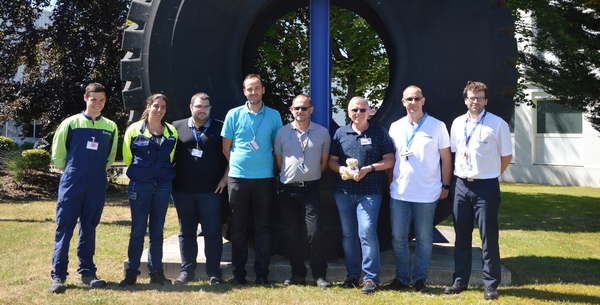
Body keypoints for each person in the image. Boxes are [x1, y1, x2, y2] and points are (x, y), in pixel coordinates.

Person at [443, 81, 512, 300]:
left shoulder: (497, 124)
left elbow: (506, 155)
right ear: (465, 100)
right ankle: (459, 281)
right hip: (461, 185)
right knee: (461, 236)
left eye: (480, 98)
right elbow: (455, 151)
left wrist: (492, 174)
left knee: (488, 237)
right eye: (472, 97)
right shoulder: (456, 123)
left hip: (486, 187)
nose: (475, 101)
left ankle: (490, 284)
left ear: (486, 101)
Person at [48, 83, 118, 293]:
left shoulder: (111, 127)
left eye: (101, 100)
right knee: (65, 228)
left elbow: (110, 157)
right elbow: (58, 154)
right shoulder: (70, 123)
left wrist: (94, 174)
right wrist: (72, 173)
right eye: (94, 99)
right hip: (72, 183)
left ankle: (87, 273)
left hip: (96, 184)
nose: (98, 104)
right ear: (86, 99)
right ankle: (58, 276)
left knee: (89, 227)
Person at [387, 85, 452, 293]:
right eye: (409, 99)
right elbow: (391, 158)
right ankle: (402, 278)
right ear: (403, 102)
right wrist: (391, 182)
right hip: (400, 193)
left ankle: (419, 279)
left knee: (424, 238)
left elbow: (446, 158)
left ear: (423, 101)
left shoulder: (437, 126)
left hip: (427, 193)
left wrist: (446, 184)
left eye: (416, 98)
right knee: (398, 238)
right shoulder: (395, 127)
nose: (413, 102)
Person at [328, 96, 395, 294]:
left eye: (362, 110)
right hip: (344, 191)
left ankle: (371, 278)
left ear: (369, 112)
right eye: (354, 110)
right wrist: (340, 169)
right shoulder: (340, 133)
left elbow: (390, 160)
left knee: (366, 231)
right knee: (349, 235)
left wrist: (370, 168)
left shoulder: (379, 132)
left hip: (370, 192)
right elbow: (332, 160)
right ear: (348, 112)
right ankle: (352, 275)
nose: (358, 114)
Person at [221, 74, 283, 285]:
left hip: (264, 178)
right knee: (237, 227)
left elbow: (277, 148)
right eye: (249, 89)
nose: (253, 92)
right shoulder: (233, 114)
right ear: (244, 91)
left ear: (263, 90)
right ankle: (239, 274)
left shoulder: (274, 116)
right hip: (238, 179)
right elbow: (225, 147)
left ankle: (262, 274)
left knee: (262, 227)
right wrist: (239, 165)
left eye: (257, 88)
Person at [120, 94, 178, 287]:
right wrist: (142, 176)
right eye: (156, 106)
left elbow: (171, 156)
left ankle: (156, 272)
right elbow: (128, 157)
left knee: (157, 231)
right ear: (148, 106)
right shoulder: (134, 130)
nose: (159, 110)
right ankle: (131, 273)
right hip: (140, 186)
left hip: (163, 186)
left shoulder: (171, 132)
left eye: (163, 107)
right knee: (138, 230)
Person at [274, 94, 331, 289]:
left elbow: (324, 162)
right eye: (297, 108)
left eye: (304, 108)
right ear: (291, 110)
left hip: (311, 190)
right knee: (292, 235)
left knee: (315, 233)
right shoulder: (282, 132)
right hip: (287, 190)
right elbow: (279, 161)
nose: (300, 111)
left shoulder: (322, 133)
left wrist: (309, 176)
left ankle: (319, 275)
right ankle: (297, 273)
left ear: (311, 110)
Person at [171, 92, 228, 286]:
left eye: (205, 107)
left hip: (211, 192)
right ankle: (186, 271)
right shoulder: (176, 127)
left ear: (210, 109)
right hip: (182, 191)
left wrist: (224, 179)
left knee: (212, 233)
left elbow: (232, 156)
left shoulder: (221, 128)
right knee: (186, 232)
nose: (202, 110)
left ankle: (214, 273)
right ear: (191, 107)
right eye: (198, 106)